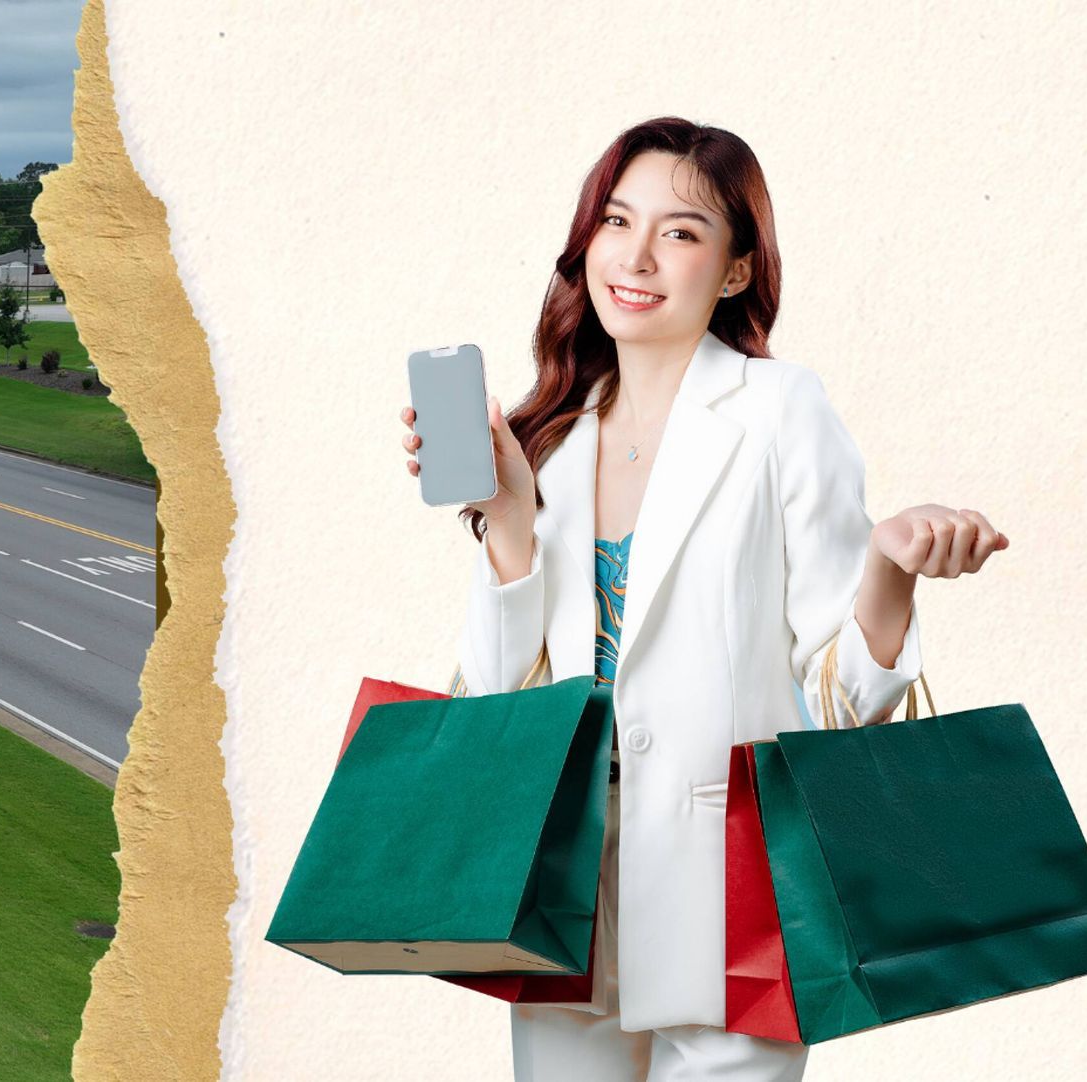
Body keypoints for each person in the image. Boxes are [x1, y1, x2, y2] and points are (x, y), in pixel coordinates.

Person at [398, 117, 1009, 1081]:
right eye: (615, 221)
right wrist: (510, 524)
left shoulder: (778, 411)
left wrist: (887, 567)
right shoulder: (550, 436)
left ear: (733, 270)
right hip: (564, 889)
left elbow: (836, 701)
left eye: (681, 232)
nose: (636, 257)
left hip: (737, 894)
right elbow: (496, 710)